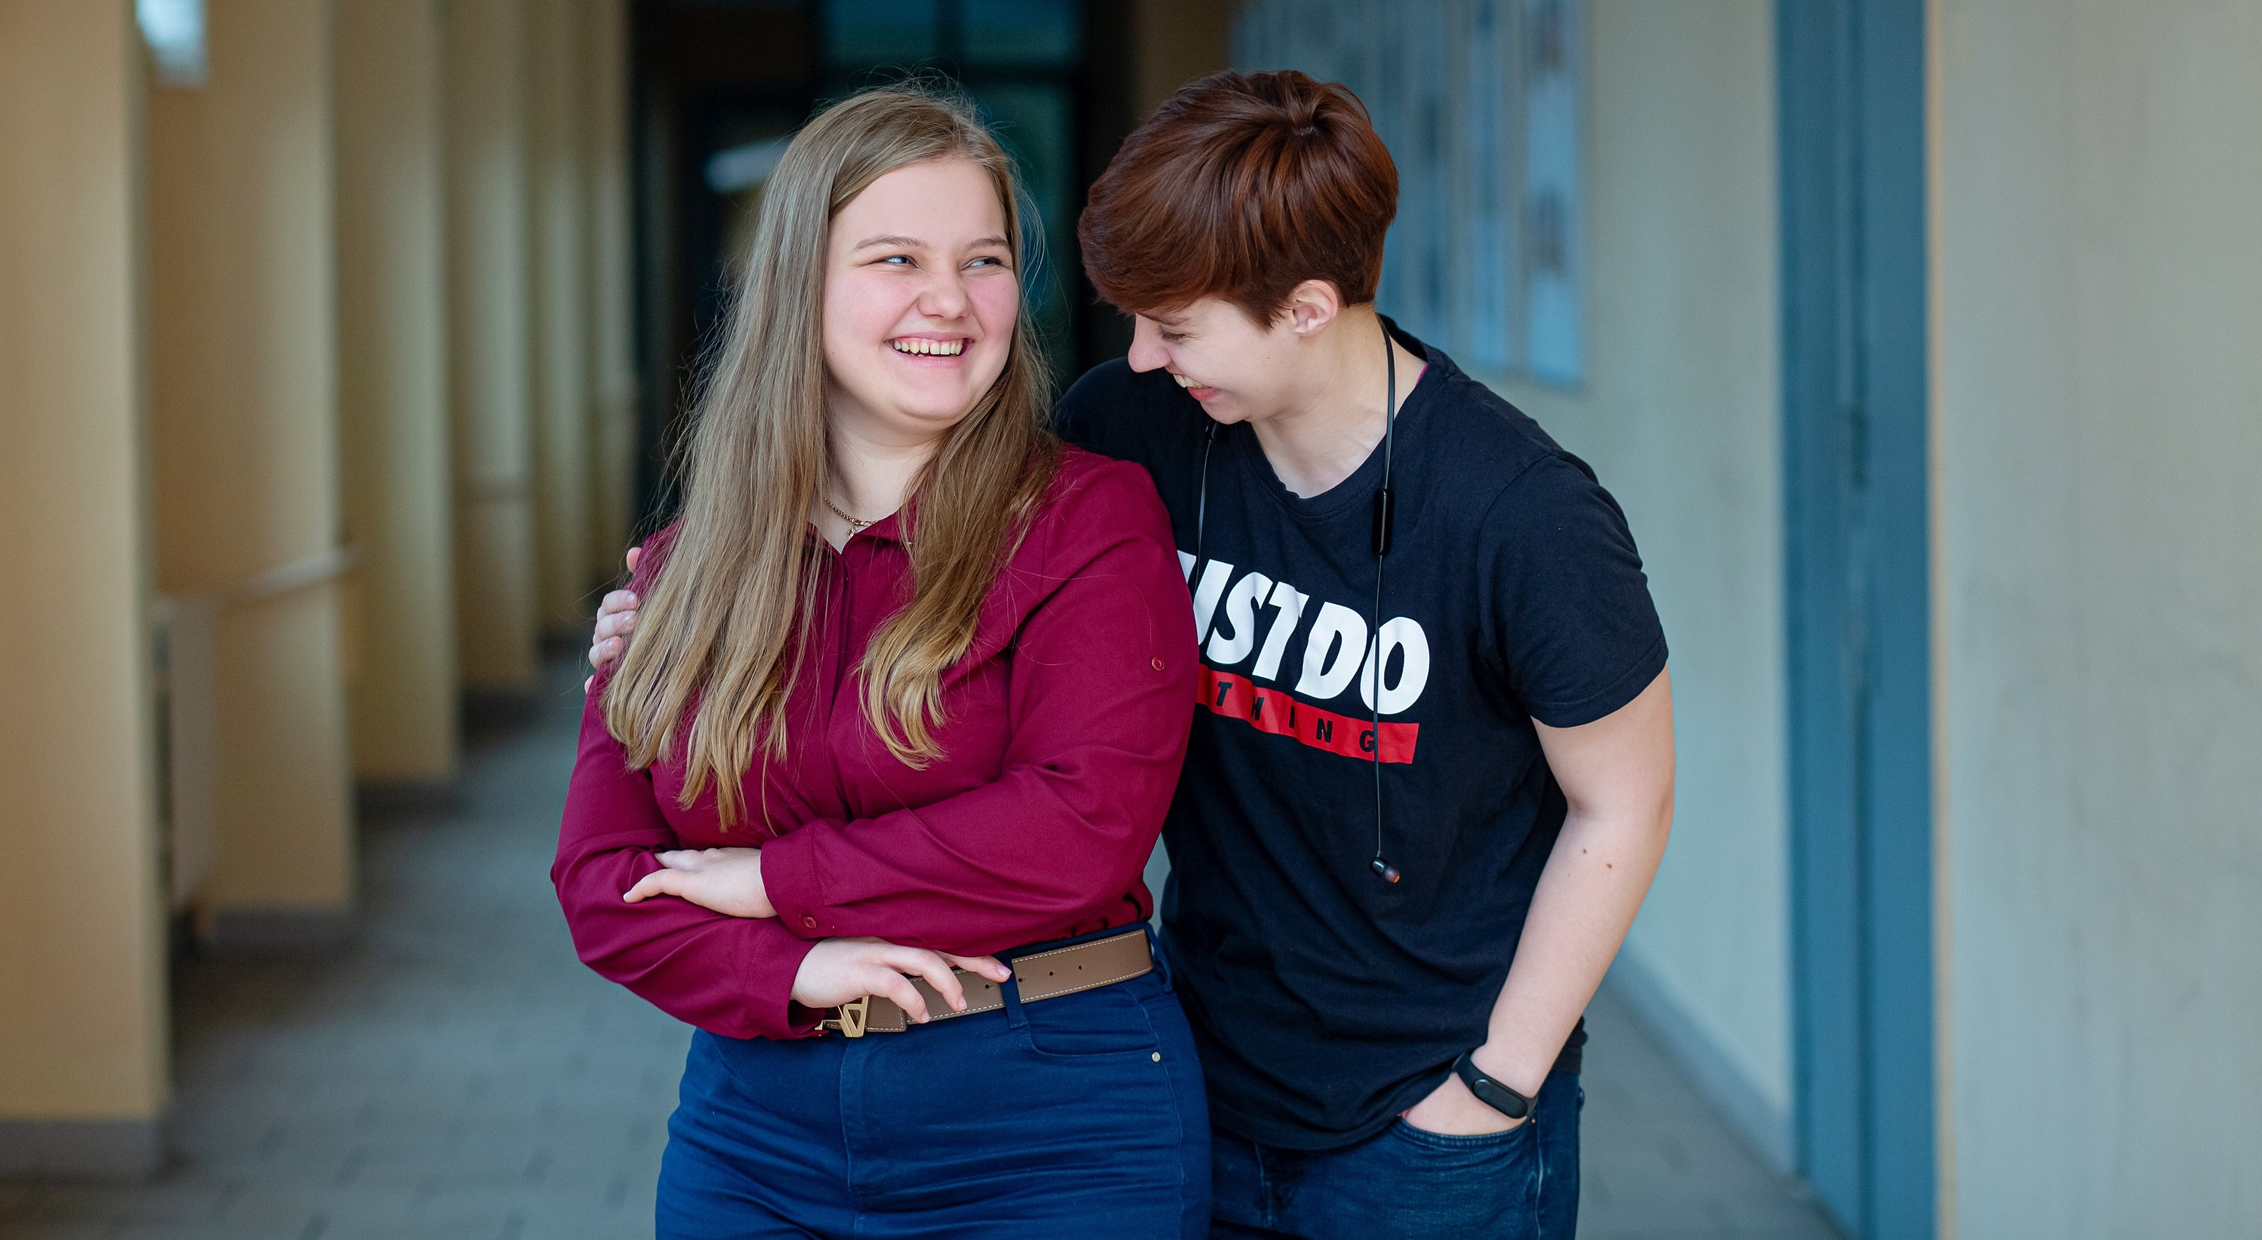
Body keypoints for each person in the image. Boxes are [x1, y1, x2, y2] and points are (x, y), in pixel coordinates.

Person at [594, 71, 1676, 1240]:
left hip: (1423, 1110)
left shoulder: (1520, 513)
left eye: (1176, 326)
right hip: (1209, 1068)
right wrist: (683, 616)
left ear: (1308, 307)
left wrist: (1493, 1087)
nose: (1147, 358)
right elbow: (951, 548)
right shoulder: (1141, 425)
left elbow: (1623, 804)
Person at [553, 85, 1210, 1240]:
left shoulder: (1090, 519)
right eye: (896, 257)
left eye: (986, 259)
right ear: (798, 285)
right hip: (756, 1125)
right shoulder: (682, 571)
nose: (949, 302)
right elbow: (603, 884)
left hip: (1053, 1118)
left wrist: (769, 885)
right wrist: (792, 975)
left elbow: (1079, 827)